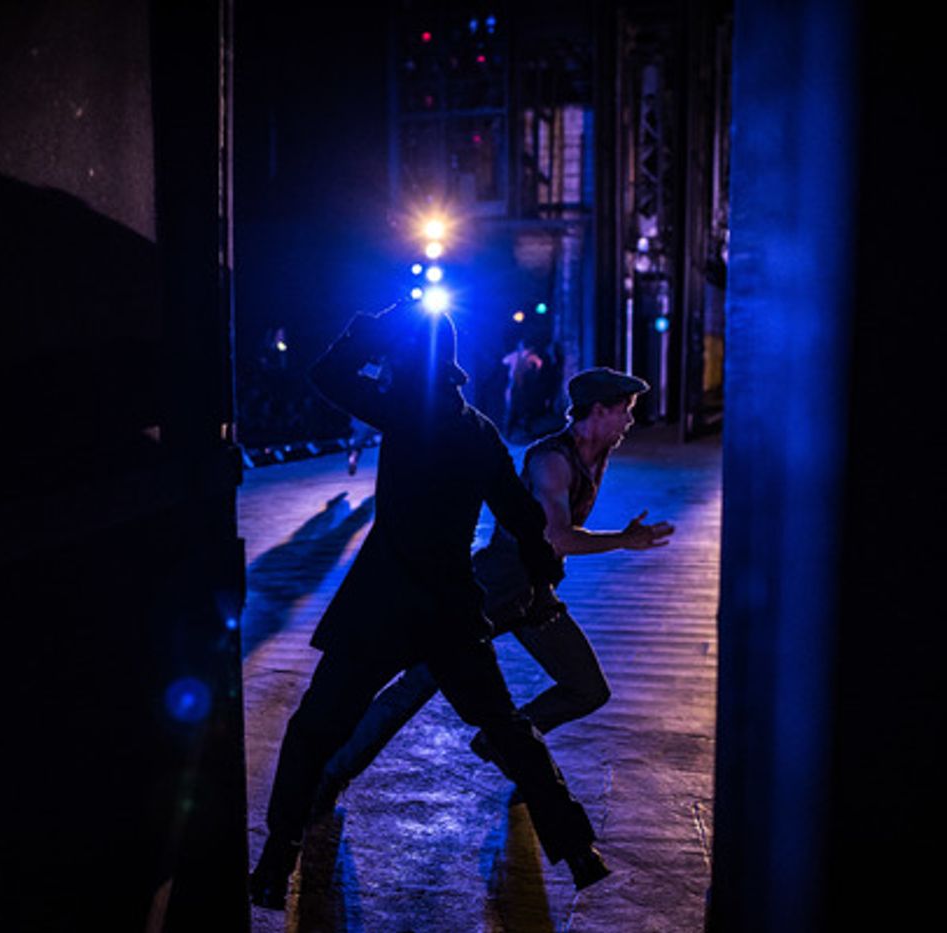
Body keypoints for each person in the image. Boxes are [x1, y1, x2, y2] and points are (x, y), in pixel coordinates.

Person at [248, 304, 610, 910]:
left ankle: (276, 860)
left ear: (409, 357)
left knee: (314, 729)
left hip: (381, 605)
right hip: (450, 610)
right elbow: (523, 519)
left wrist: (373, 326)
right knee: (507, 729)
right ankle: (577, 849)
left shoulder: (400, 410)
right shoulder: (479, 432)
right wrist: (546, 573)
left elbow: (327, 373)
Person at [317, 367, 674, 811]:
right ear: (598, 411)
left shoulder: (596, 455)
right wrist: (624, 539)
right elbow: (557, 537)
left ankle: (501, 742)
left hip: (534, 595)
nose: (630, 421)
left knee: (587, 688)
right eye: (624, 411)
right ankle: (330, 775)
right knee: (416, 685)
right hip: (490, 590)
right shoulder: (552, 460)